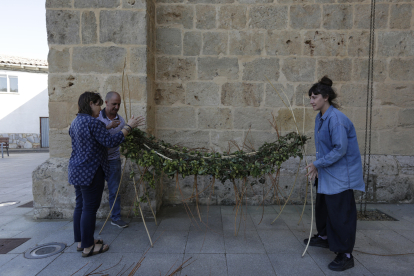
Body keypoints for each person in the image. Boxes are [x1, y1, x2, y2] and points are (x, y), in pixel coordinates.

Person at [68, 92, 144, 257]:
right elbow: (110, 142)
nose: (100, 108)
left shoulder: (76, 121)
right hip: (91, 170)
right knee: (89, 208)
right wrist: (128, 127)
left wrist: (106, 127)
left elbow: (88, 138)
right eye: (98, 104)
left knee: (80, 206)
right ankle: (88, 247)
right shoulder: (93, 122)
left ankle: (82, 241)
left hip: (76, 170)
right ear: (90, 104)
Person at [304, 76, 365, 271]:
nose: (312, 101)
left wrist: (316, 164)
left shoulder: (337, 119)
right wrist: (318, 167)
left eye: (315, 97)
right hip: (326, 172)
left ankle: (345, 254)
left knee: (341, 215)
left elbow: (340, 149)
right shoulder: (321, 117)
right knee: (323, 208)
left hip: (340, 176)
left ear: (326, 97)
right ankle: (324, 237)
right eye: (310, 98)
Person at [97, 91, 129, 228]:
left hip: (113, 160)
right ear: (106, 103)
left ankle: (115, 217)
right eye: (114, 104)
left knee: (114, 190)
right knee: (94, 191)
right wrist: (107, 127)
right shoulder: (97, 117)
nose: (116, 107)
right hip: (98, 160)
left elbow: (123, 137)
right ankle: (89, 219)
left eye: (119, 104)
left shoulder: (121, 121)